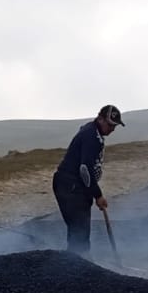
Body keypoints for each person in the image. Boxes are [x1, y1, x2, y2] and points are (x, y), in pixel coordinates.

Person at [51, 104, 125, 255]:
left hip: (74, 186)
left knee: (78, 230)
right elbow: (85, 169)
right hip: (70, 186)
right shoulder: (92, 136)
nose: (112, 129)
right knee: (80, 231)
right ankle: (80, 263)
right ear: (100, 119)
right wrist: (98, 195)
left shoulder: (92, 130)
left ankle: (76, 262)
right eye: (110, 125)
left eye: (115, 126)